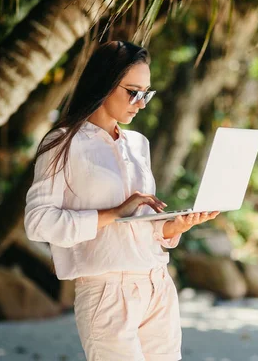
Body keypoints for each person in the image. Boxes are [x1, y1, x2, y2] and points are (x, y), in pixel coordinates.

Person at [24, 41, 219, 361]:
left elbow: (138, 227)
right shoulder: (62, 143)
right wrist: (112, 213)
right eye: (133, 92)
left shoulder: (138, 144)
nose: (141, 103)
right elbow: (38, 223)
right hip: (107, 293)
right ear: (103, 83)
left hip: (158, 286)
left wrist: (171, 228)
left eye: (147, 93)